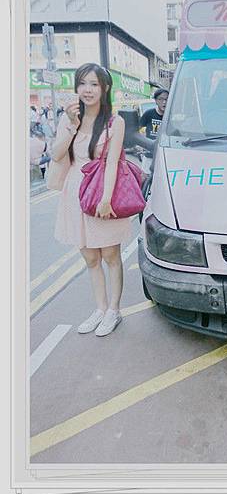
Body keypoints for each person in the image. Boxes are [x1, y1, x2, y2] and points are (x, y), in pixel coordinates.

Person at [52, 63, 130, 336]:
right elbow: (56, 154)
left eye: (94, 84)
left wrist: (106, 199)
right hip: (75, 192)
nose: (88, 89)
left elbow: (112, 163)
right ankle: (100, 308)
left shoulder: (115, 122)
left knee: (110, 255)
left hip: (100, 191)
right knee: (90, 258)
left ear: (104, 88)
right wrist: (72, 126)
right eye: (83, 83)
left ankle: (114, 311)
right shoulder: (69, 118)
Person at [138, 87, 168, 174]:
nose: (164, 102)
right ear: (156, 101)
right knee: (145, 178)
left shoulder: (171, 117)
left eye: (166, 99)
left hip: (165, 157)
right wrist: (140, 144)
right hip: (149, 155)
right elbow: (137, 129)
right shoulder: (149, 114)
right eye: (160, 99)